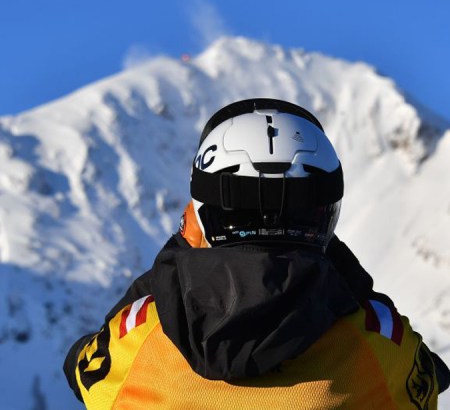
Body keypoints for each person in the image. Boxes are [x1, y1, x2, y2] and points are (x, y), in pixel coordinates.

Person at [64, 98, 449, 409]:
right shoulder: (379, 344)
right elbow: (430, 381)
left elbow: (80, 370)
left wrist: (178, 251)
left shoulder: (136, 338)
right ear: (325, 221)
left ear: (201, 216)